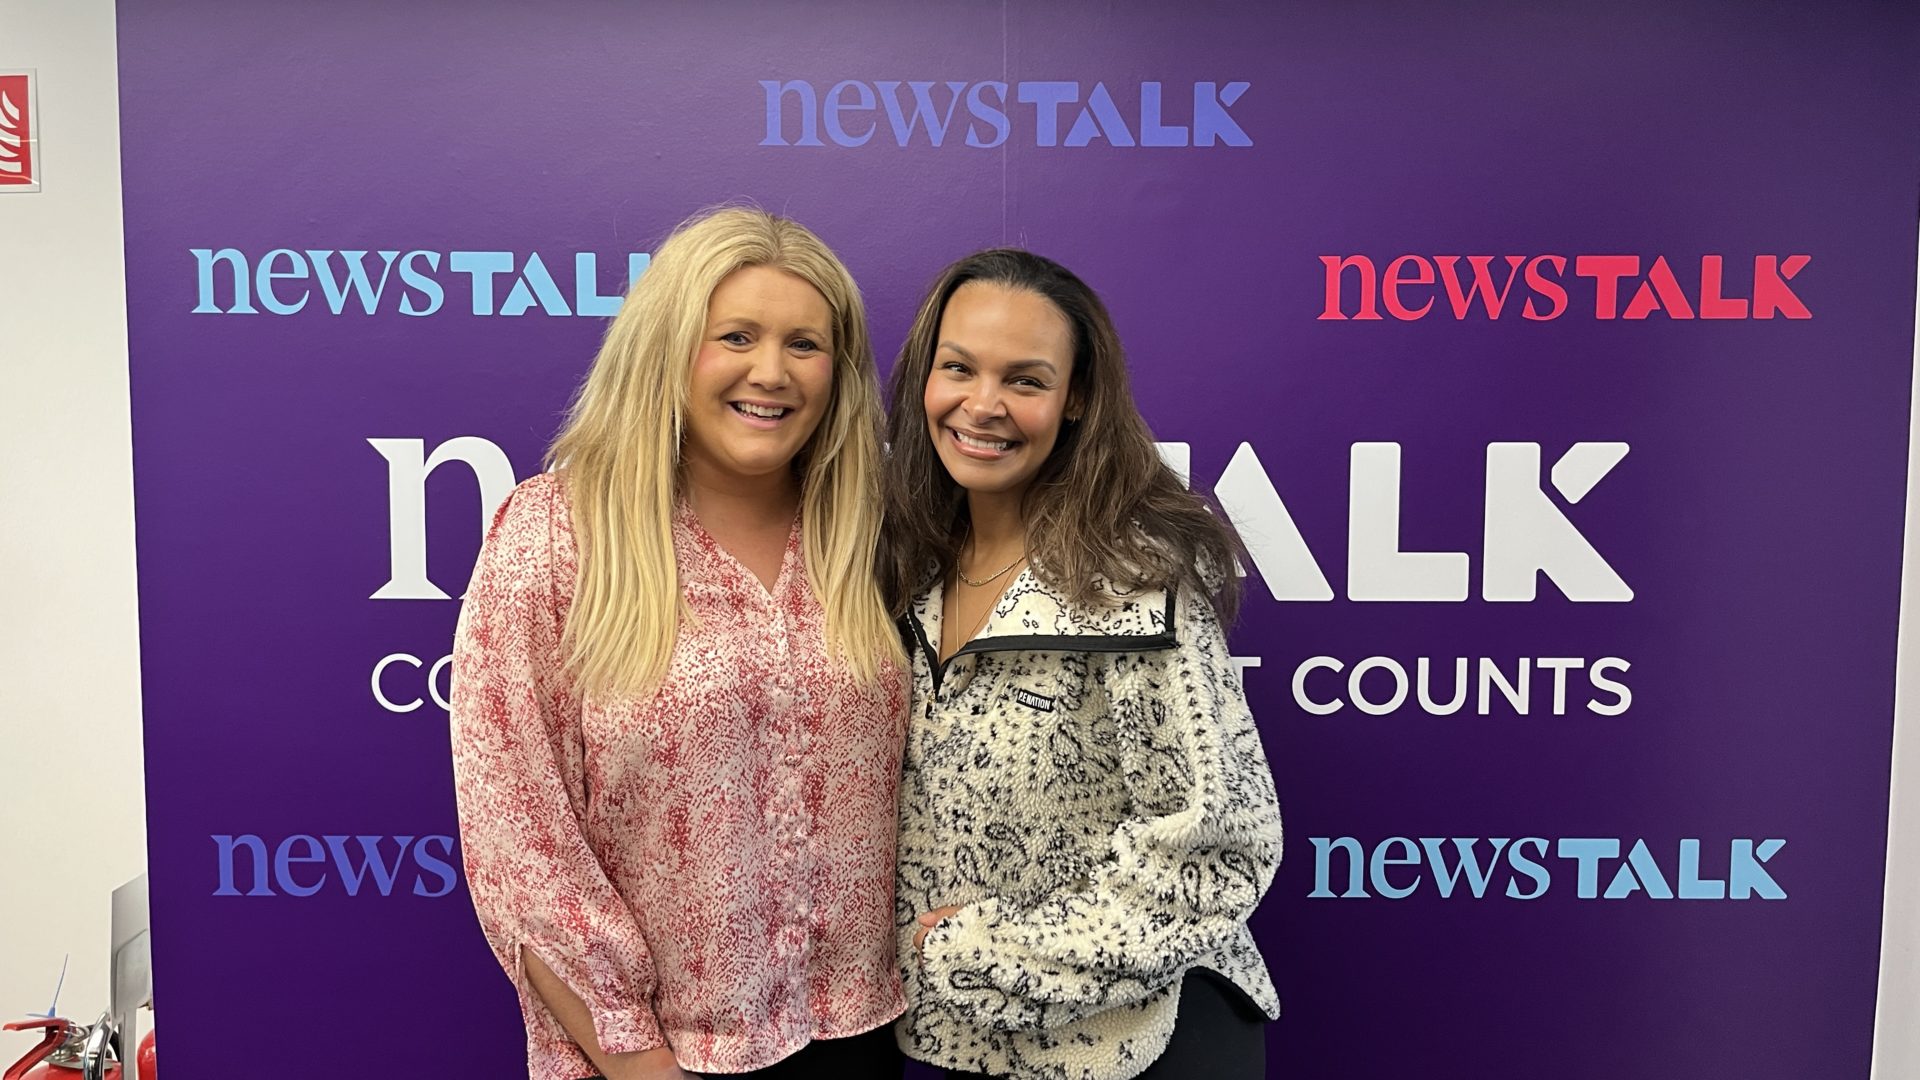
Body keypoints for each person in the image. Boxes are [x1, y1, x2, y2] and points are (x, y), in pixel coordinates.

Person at [451, 207, 909, 1080]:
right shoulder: (558, 534)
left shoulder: (870, 535)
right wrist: (637, 1061)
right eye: (734, 336)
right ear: (667, 346)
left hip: (860, 1037)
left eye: (805, 345)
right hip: (659, 1061)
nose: (770, 373)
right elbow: (521, 838)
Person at [879, 249, 1283, 1080]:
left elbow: (1217, 851)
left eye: (1025, 380)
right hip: (966, 1047)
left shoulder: (1130, 584)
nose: (981, 405)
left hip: (1138, 1046)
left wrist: (979, 951)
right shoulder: (904, 569)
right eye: (958, 368)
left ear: (1076, 402)